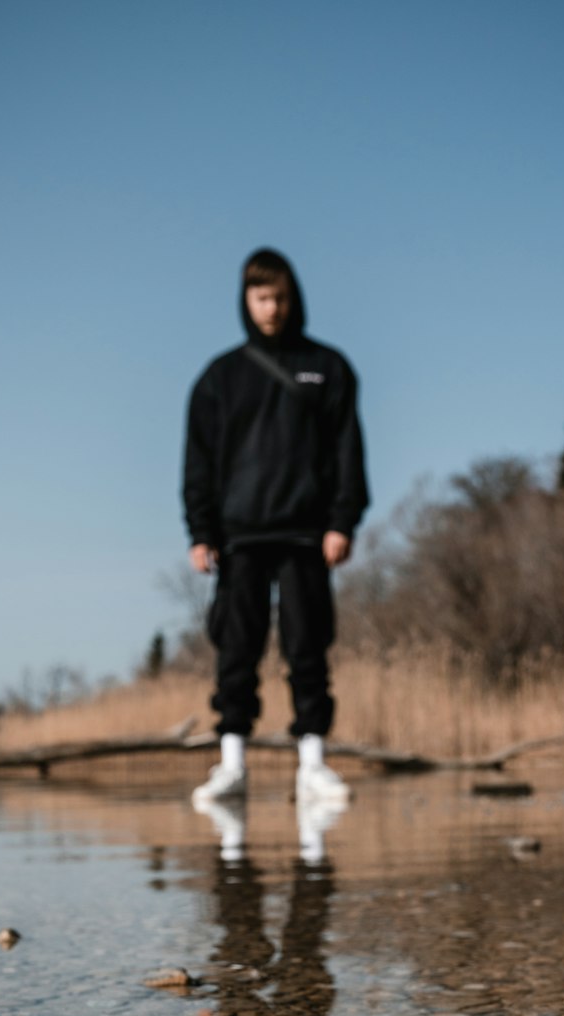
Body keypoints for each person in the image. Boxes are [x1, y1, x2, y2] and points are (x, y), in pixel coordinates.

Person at [183, 248, 369, 803]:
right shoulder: (220, 378)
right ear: (245, 301)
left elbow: (348, 453)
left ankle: (312, 761)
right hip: (239, 538)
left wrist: (342, 520)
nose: (272, 307)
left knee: (307, 647)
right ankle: (231, 763)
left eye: (280, 297)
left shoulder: (328, 368)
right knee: (235, 651)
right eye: (261, 297)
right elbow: (197, 460)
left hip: (307, 535)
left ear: (294, 298)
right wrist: (200, 530)